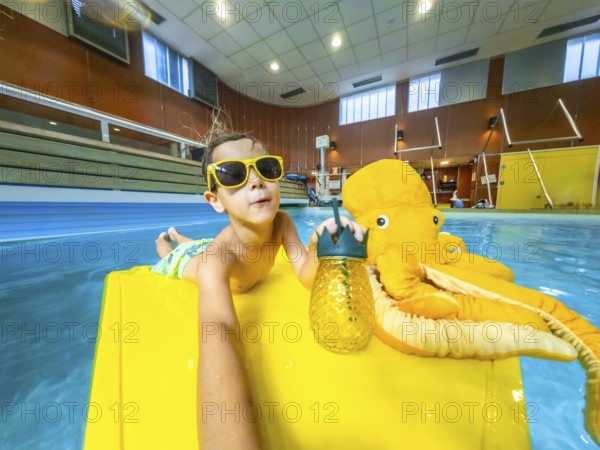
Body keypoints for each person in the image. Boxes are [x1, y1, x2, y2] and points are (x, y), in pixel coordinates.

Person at [152, 133, 365, 449]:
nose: (256, 182)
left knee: (199, 245)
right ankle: (167, 239)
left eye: (266, 168)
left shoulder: (282, 223)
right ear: (215, 200)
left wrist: (321, 249)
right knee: (177, 255)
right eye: (234, 174)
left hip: (217, 253)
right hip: (196, 264)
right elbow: (219, 329)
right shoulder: (217, 260)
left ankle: (182, 238)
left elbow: (306, 275)